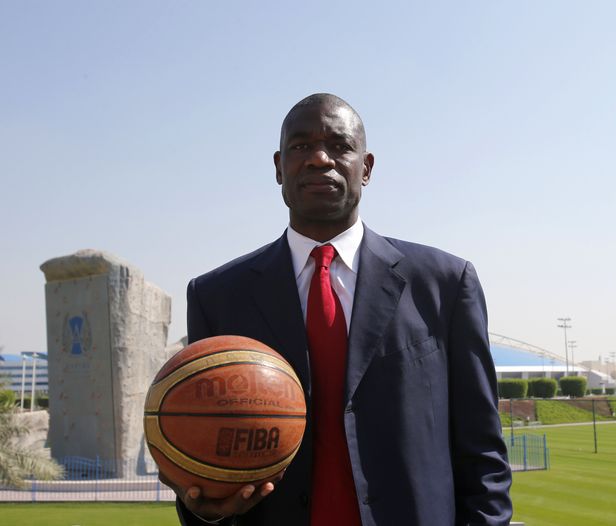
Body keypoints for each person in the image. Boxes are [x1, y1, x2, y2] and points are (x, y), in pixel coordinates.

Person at [166, 93, 513, 525]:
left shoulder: (444, 283)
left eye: (339, 145)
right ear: (279, 167)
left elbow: (482, 451)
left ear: (365, 168)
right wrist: (204, 506)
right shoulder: (216, 295)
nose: (318, 159)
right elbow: (201, 448)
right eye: (300, 147)